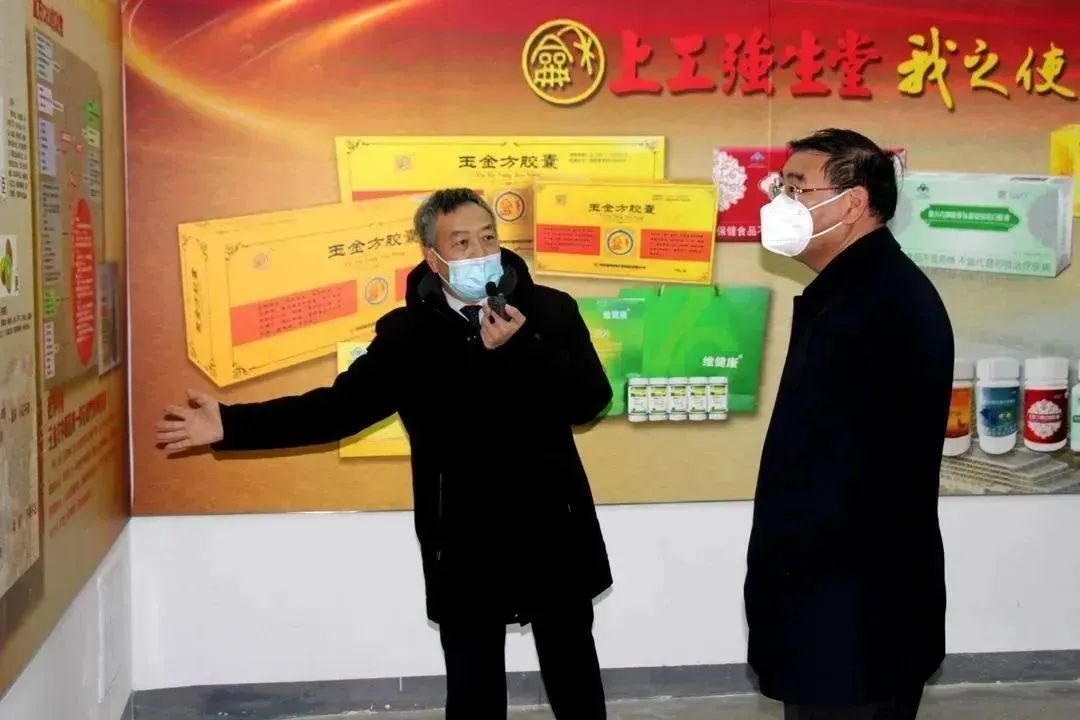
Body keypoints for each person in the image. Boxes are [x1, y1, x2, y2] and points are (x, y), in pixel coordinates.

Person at [156, 188, 613, 719]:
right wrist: (231, 424)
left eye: (487, 237)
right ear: (433, 258)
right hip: (462, 537)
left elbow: (590, 400)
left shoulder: (551, 311)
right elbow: (335, 410)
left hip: (552, 525)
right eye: (461, 243)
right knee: (472, 688)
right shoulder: (408, 336)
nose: (480, 252)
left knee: (574, 676)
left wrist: (524, 348)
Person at [745, 129, 954, 720]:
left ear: (854, 203)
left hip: (850, 609)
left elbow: (833, 472)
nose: (780, 204)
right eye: (779, 188)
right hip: (848, 600)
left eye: (796, 188)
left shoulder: (873, 304)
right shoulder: (859, 289)